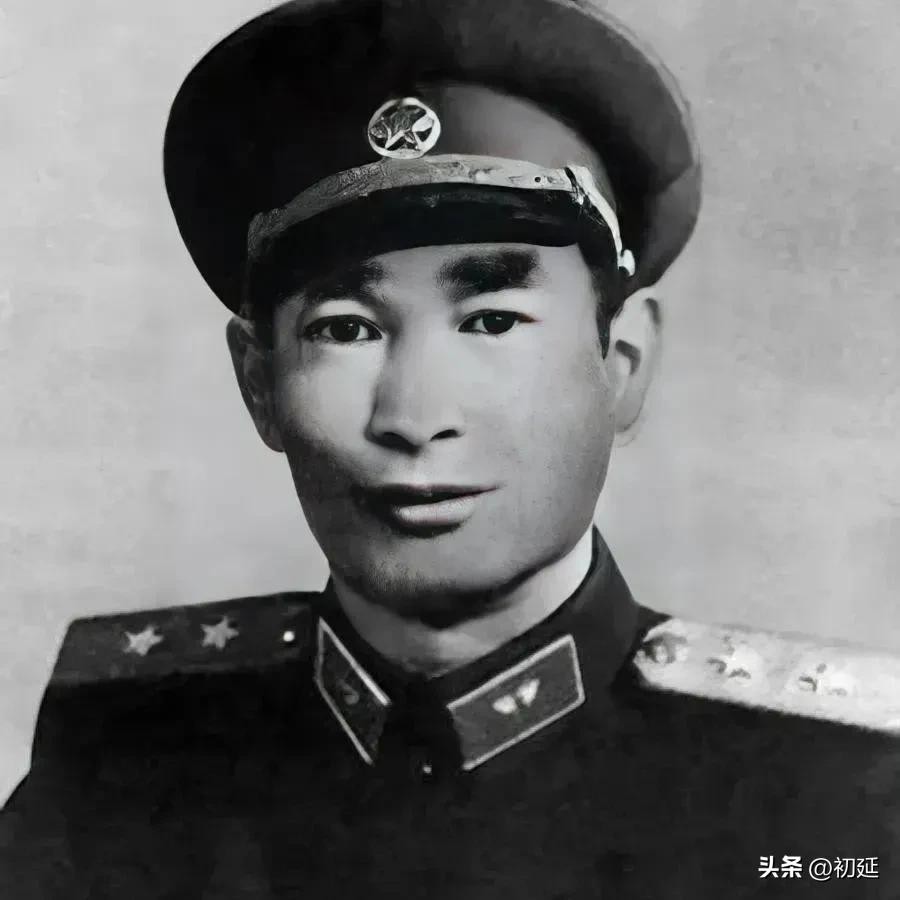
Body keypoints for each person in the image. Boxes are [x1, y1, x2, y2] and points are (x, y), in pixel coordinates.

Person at [2, 1, 899, 897]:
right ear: (259, 385)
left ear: (622, 365)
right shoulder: (121, 769)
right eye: (347, 329)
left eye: (492, 320)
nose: (415, 414)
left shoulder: (832, 797)